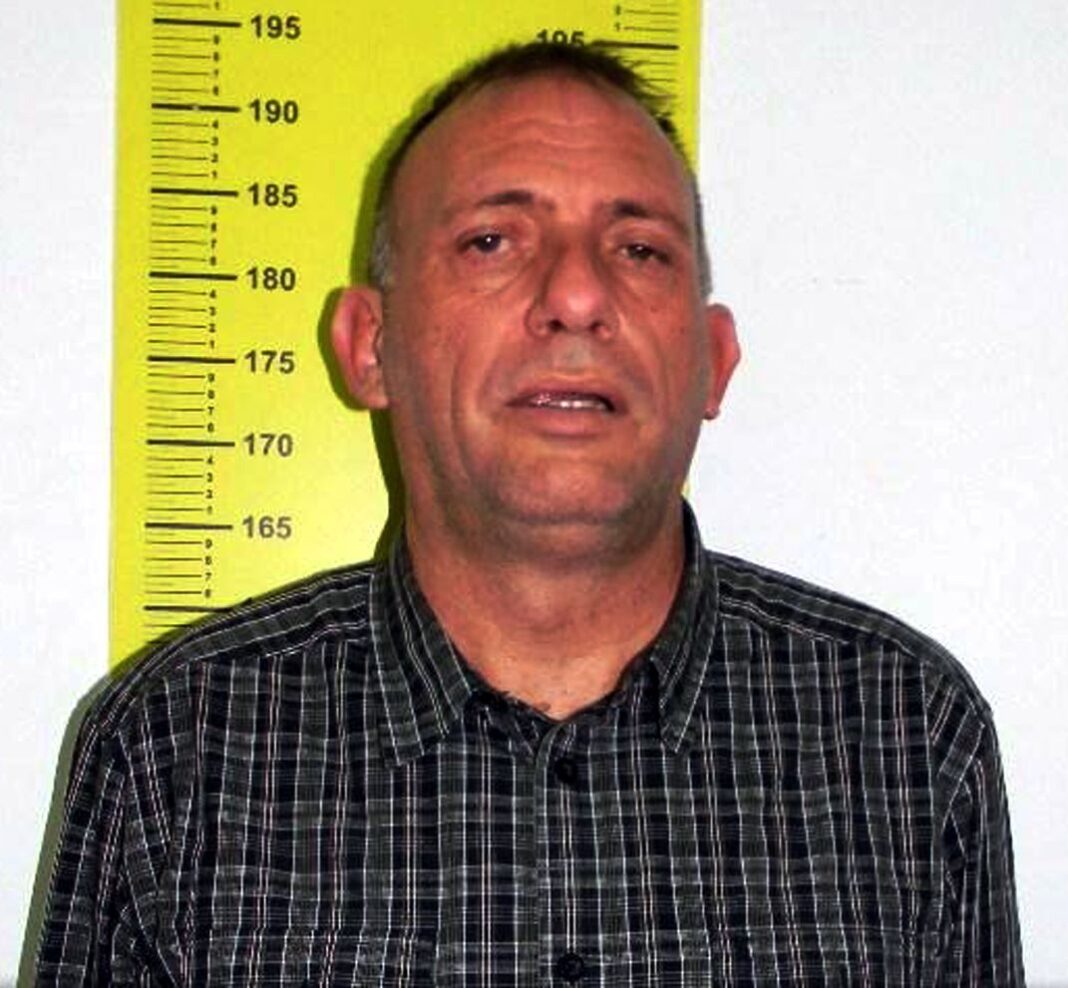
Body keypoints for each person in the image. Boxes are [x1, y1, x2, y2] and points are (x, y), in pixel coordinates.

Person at [35, 43, 1023, 985]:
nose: (578, 295)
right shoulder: (175, 748)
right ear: (370, 345)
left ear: (715, 361)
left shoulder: (908, 736)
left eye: (639, 249)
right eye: (492, 241)